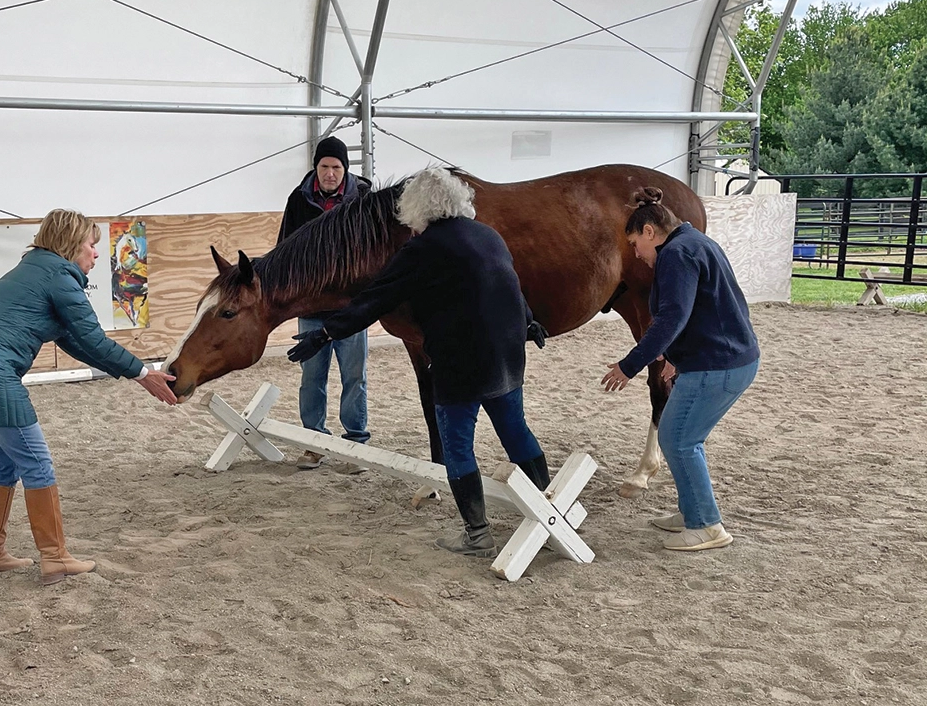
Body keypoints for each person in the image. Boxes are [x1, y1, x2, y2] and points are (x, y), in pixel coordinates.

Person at [287, 167, 550, 558]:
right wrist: (529, 320)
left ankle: (477, 533)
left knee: (457, 444)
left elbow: (375, 299)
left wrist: (326, 333)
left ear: (414, 209)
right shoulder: (488, 234)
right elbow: (508, 283)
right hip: (508, 355)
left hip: (459, 361)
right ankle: (548, 509)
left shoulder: (421, 250)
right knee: (515, 430)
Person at [0, 209, 177, 585]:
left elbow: (77, 342)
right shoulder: (60, 276)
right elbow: (94, 340)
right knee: (37, 466)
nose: (96, 254)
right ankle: (55, 557)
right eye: (92, 245)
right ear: (72, 245)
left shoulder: (35, 271)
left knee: (4, 462)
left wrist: (134, 373)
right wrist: (144, 374)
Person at [601, 187, 760, 552]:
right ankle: (693, 512)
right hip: (727, 359)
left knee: (678, 440)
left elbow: (672, 316)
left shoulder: (677, 254)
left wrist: (629, 366)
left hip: (717, 365)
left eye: (635, 244)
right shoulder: (695, 242)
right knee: (684, 439)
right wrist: (674, 357)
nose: (637, 255)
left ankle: (706, 526)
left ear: (650, 232)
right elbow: (704, 307)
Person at [278, 135, 373, 472]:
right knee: (312, 378)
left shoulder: (363, 198)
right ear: (315, 168)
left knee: (354, 377)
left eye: (336, 167)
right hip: (312, 309)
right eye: (324, 166)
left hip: (351, 309)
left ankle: (356, 442)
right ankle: (314, 442)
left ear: (345, 169)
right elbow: (285, 251)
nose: (330, 173)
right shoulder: (298, 200)